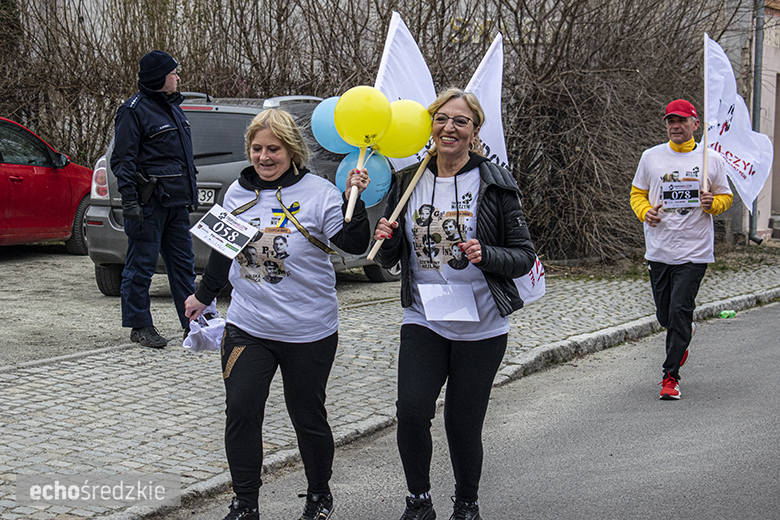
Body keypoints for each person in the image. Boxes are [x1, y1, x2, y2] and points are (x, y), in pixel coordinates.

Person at [184, 108, 371, 520]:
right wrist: (203, 295)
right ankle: (245, 503)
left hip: (309, 329)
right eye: (257, 148)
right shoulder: (236, 193)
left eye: (274, 149)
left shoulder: (320, 192)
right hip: (249, 326)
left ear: (292, 151)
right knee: (242, 408)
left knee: (306, 414)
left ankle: (319, 494)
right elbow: (223, 251)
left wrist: (353, 202)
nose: (265, 157)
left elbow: (354, 245)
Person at [373, 88, 536, 520]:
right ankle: (418, 501)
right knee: (410, 412)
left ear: (474, 131)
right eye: (442, 119)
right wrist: (385, 240)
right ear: (431, 125)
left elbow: (523, 256)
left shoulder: (496, 184)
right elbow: (392, 260)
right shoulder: (409, 180)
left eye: (460, 121)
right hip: (424, 316)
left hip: (481, 323)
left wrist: (488, 254)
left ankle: (466, 504)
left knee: (462, 424)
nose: (449, 128)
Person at [630, 99, 733, 400]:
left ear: (694, 124)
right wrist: (645, 211)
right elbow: (638, 194)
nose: (675, 126)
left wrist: (712, 203)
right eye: (670, 121)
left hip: (694, 249)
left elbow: (725, 196)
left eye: (681, 121)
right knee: (666, 316)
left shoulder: (710, 159)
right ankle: (682, 332)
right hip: (660, 249)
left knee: (678, 310)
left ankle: (670, 377)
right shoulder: (651, 157)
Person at [111, 50, 198, 348]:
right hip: (149, 204)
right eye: (173, 72)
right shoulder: (133, 111)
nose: (177, 76)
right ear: (160, 77)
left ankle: (194, 324)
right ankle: (140, 325)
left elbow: (183, 159)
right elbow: (123, 161)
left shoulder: (173, 108)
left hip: (175, 203)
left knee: (184, 267)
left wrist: (191, 194)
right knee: (140, 267)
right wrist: (130, 201)